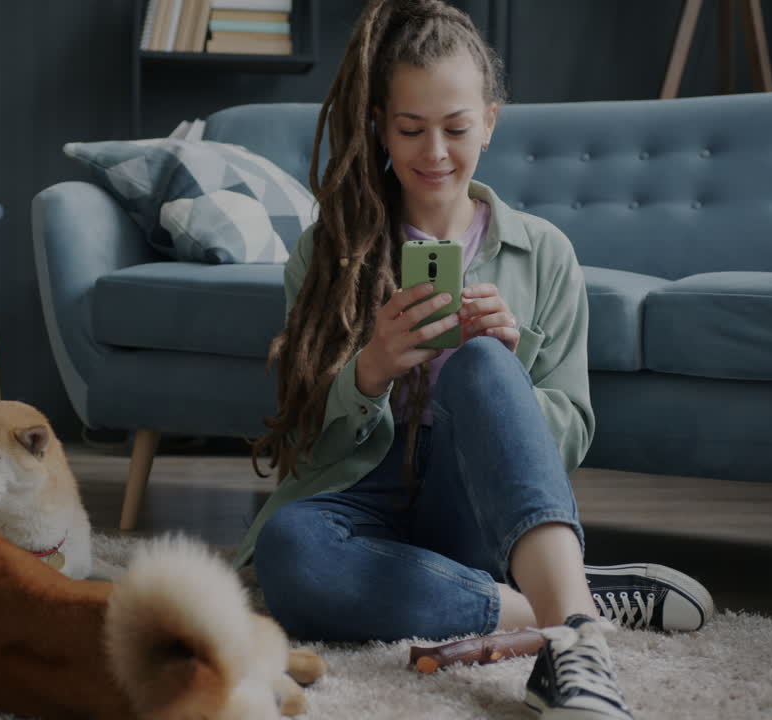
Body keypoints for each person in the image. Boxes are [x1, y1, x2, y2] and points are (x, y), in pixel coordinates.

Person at [237, 1, 715, 718]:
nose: (434, 153)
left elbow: (572, 435)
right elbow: (302, 444)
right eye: (410, 129)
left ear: (489, 122)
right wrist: (369, 371)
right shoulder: (327, 253)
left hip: (474, 505)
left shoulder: (546, 254)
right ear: (377, 124)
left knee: (485, 366)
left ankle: (576, 642)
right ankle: (556, 598)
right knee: (286, 554)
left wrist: (509, 377)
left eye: (456, 128)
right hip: (362, 497)